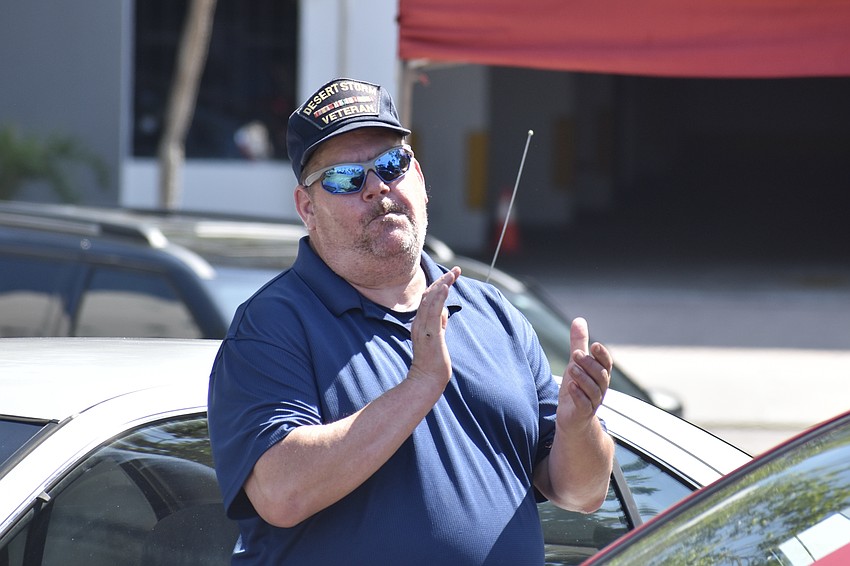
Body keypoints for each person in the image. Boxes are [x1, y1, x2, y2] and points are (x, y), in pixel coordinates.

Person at [208, 77, 615, 565]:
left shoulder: (493, 313)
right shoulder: (272, 325)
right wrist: (420, 386)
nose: (377, 187)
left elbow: (583, 494)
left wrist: (577, 427)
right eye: (344, 178)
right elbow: (281, 492)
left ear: (418, 176)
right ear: (306, 209)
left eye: (391, 165)